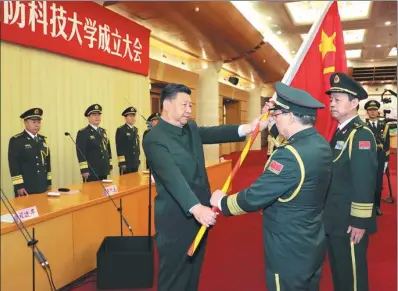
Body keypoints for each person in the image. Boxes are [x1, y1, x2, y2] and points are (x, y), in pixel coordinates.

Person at [143, 83, 267, 291]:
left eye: (191, 105)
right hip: (177, 219)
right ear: (166, 104)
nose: (189, 110)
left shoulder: (189, 127)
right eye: (184, 105)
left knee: (193, 273)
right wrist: (196, 207)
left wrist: (248, 128)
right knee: (174, 278)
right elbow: (173, 178)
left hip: (201, 216)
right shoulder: (154, 139)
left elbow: (212, 133)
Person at [211, 82, 332, 291]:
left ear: (292, 117)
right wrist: (269, 118)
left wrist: (223, 202)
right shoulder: (320, 144)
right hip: (311, 243)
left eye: (278, 115)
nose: (275, 119)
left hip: (288, 250)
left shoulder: (289, 156)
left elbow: (254, 197)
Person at [324, 72, 378, 291]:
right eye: (331, 99)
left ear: (355, 103)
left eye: (338, 100)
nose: (332, 104)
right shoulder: (340, 132)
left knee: (352, 276)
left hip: (349, 221)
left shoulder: (360, 135)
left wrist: (359, 220)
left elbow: (364, 179)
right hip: (335, 217)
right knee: (340, 272)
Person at [8, 108, 52, 197]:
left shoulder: (43, 140)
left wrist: (48, 182)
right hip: (26, 187)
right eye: (33, 122)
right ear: (25, 123)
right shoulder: (17, 140)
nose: (37, 125)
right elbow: (14, 164)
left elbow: (47, 164)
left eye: (39, 122)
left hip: (42, 185)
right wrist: (19, 186)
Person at [364, 100, 390, 216]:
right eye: (370, 110)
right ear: (367, 112)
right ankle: (367, 206)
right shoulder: (363, 126)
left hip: (379, 158)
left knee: (378, 184)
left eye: (374, 110)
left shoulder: (384, 126)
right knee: (367, 183)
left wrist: (386, 161)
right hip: (367, 158)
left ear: (377, 111)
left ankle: (377, 206)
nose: (373, 112)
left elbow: (387, 144)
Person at [76, 104, 112, 182]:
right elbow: (81, 153)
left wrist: (109, 164)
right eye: (94, 115)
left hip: (103, 169)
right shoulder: (83, 132)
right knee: (92, 193)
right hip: (91, 171)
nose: (97, 117)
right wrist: (84, 170)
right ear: (88, 118)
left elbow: (108, 149)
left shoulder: (103, 132)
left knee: (103, 193)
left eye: (99, 115)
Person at [115, 106, 140, 175]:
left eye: (134, 116)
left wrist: (137, 160)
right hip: (126, 163)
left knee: (135, 182)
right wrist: (122, 162)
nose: (133, 118)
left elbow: (136, 146)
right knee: (126, 184)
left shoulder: (135, 130)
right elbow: (119, 148)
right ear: (125, 117)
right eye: (130, 116)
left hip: (135, 162)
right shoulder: (121, 130)